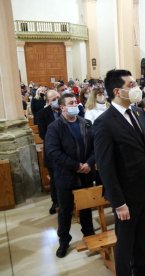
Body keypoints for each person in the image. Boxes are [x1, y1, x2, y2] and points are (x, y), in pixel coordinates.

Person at [93, 69, 145, 275]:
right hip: (126, 195)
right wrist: (118, 202)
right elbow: (105, 166)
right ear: (117, 91)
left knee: (142, 240)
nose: (137, 88)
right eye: (131, 85)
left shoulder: (139, 112)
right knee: (125, 244)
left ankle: (141, 271)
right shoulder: (104, 122)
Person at [45, 93, 95, 258]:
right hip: (66, 175)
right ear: (62, 107)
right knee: (65, 211)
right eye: (71, 103)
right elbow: (53, 152)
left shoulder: (85, 123)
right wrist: (76, 166)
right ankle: (64, 241)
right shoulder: (55, 127)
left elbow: (96, 147)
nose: (75, 104)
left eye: (76, 102)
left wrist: (89, 163)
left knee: (86, 208)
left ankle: (89, 236)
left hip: (86, 173)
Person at [37, 89, 61, 214]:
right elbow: (42, 134)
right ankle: (56, 202)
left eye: (58, 97)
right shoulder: (42, 114)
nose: (57, 101)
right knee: (55, 179)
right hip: (53, 151)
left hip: (68, 150)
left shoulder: (66, 109)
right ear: (48, 102)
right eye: (53, 99)